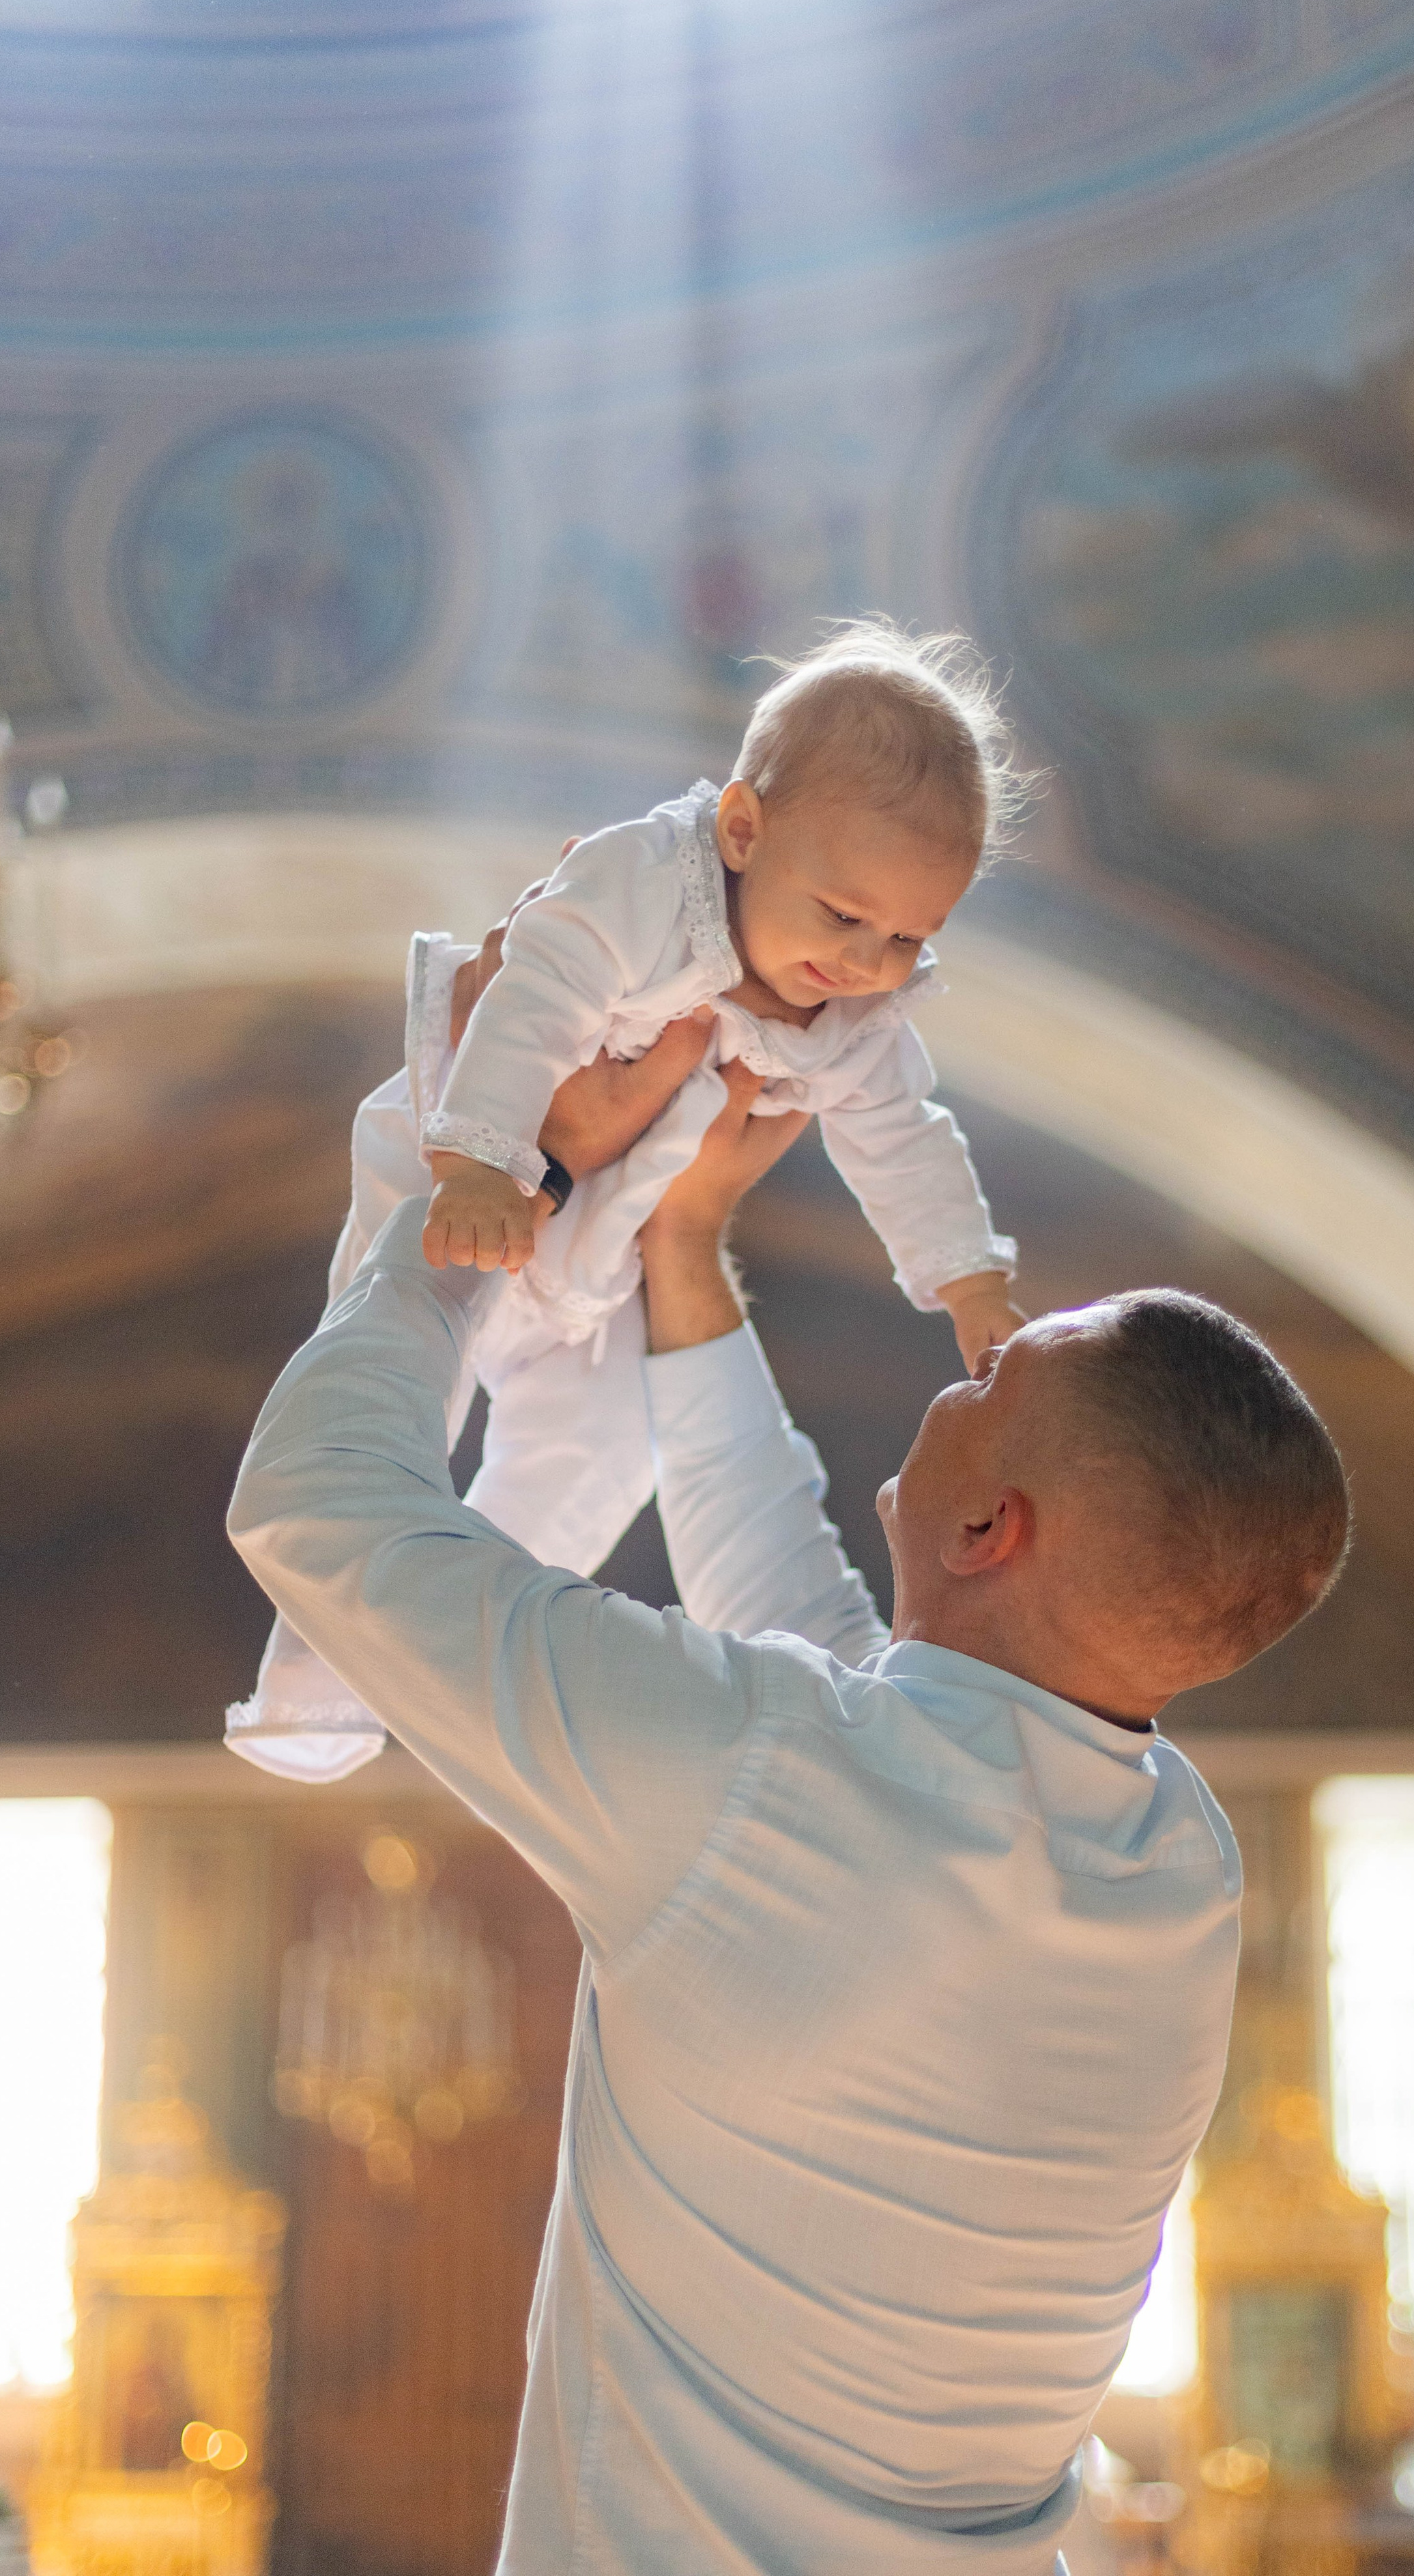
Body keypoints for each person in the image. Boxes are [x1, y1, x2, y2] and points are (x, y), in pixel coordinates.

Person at [226, 1056, 1351, 2574]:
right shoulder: (1175, 1860)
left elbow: (317, 1509)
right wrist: (683, 1247)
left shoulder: (777, 1775)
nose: (951, 1379)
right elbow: (827, 1675)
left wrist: (478, 1190)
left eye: (981, 1385)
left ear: (985, 1525)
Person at [228, 618, 1025, 1780]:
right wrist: (486, 1166)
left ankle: (426, 1653)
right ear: (742, 829)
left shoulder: (857, 1020)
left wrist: (972, 1278)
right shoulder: (649, 885)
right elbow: (532, 989)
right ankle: (305, 1694)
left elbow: (905, 1134)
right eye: (846, 916)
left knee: (605, 1452)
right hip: (469, 1161)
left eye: (910, 937)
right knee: (400, 1388)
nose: (868, 962)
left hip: (599, 1255)